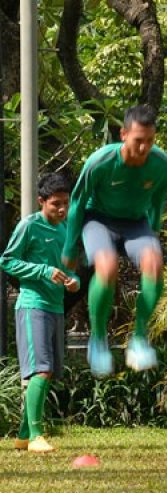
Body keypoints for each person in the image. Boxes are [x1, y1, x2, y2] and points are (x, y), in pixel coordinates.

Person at [62, 104, 167, 377]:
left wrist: (153, 236)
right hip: (98, 220)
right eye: (138, 140)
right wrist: (69, 247)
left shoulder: (162, 165)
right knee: (107, 266)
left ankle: (138, 338)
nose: (144, 147)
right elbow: (76, 203)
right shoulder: (100, 162)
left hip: (136, 223)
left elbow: (158, 203)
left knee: (155, 264)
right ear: (123, 134)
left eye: (150, 141)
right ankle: (98, 338)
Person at [1, 173, 80, 453]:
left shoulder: (67, 227)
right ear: (41, 201)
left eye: (65, 203)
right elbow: (6, 260)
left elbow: (71, 268)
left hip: (56, 307)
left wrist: (74, 281)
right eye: (55, 204)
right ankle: (36, 436)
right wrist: (42, 271)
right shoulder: (29, 226)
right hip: (32, 305)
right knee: (41, 370)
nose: (61, 209)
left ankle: (23, 435)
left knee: (47, 374)